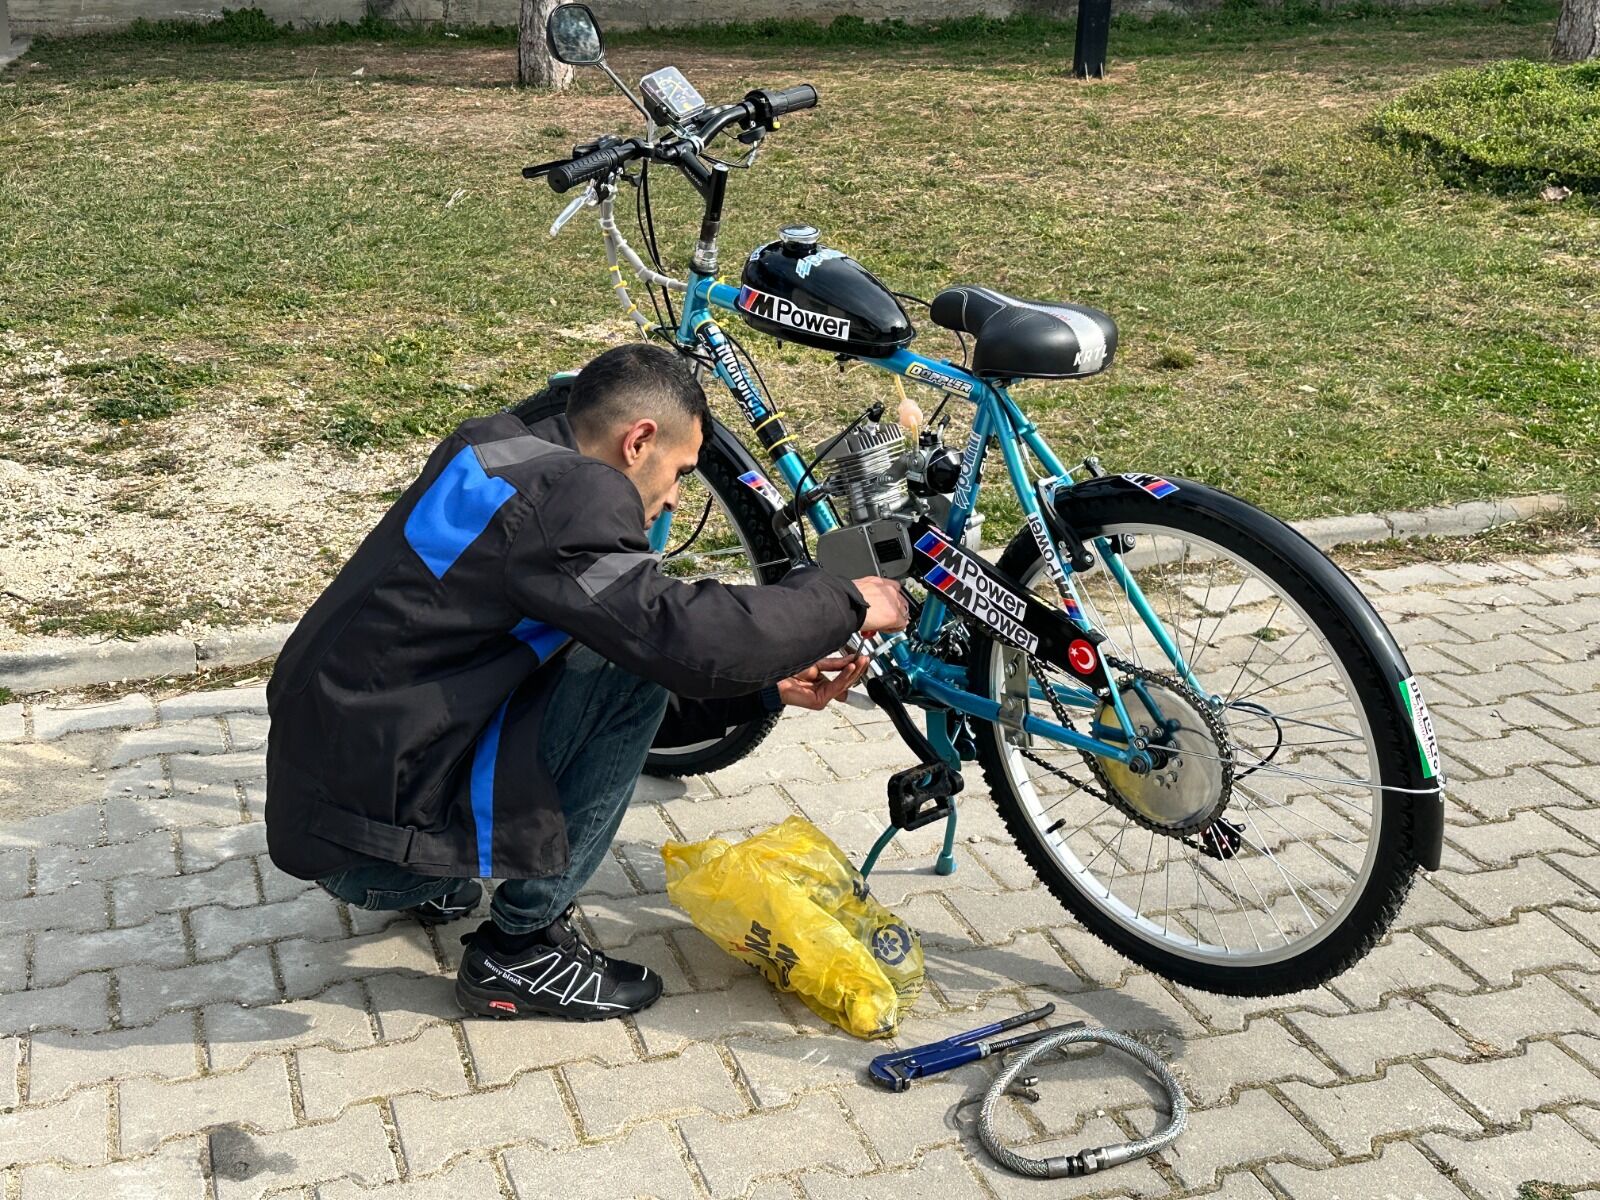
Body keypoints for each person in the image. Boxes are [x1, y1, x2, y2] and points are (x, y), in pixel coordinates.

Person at [264, 344, 909, 1021]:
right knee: (632, 669)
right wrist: (844, 600)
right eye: (682, 470)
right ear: (639, 441)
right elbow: (674, 642)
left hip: (330, 808)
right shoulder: (574, 498)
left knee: (618, 655)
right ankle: (522, 951)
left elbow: (601, 658)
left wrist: (762, 689)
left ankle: (437, 879)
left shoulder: (496, 450)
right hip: (369, 845)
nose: (678, 494)